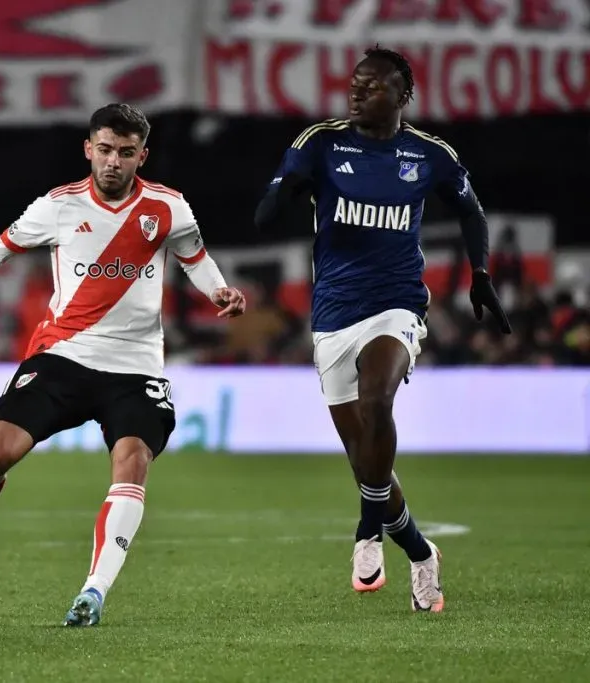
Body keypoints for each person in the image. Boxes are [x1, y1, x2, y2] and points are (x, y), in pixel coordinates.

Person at [0, 103, 246, 627]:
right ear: (88, 149)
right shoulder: (58, 207)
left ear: (143, 155)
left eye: (127, 153)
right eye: (106, 150)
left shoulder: (169, 208)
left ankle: (94, 591)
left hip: (136, 367)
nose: (114, 162)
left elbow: (196, 259)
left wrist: (219, 290)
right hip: (63, 356)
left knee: (132, 460)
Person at [254, 47, 511, 612]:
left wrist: (482, 274)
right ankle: (421, 554)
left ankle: (366, 530)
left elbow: (472, 211)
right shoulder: (320, 141)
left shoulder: (428, 154)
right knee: (364, 460)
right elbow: (267, 208)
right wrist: (282, 195)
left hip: (396, 304)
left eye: (372, 85)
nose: (357, 90)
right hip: (332, 314)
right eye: (355, 82)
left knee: (378, 399)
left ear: (402, 95)